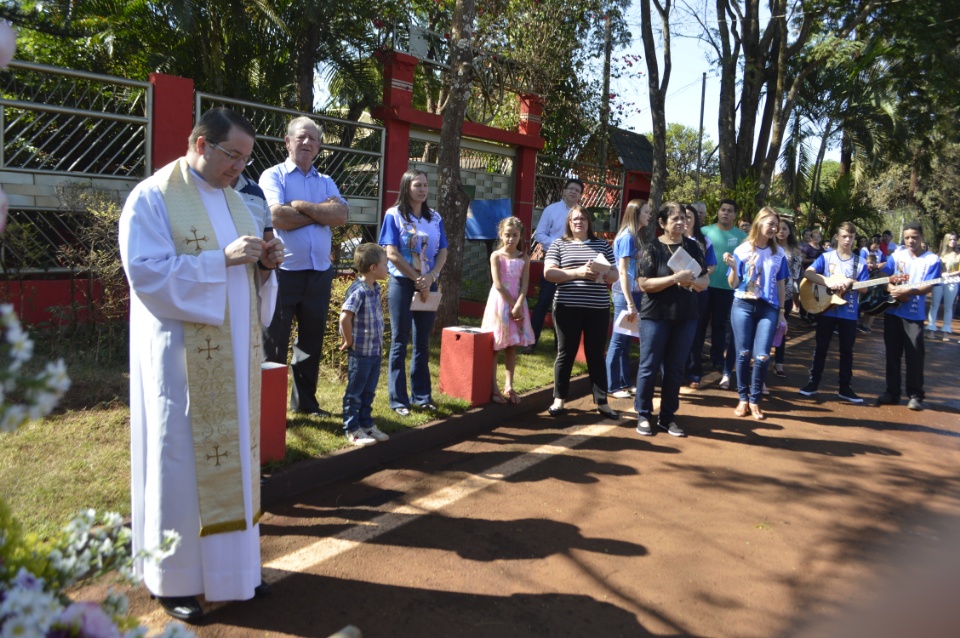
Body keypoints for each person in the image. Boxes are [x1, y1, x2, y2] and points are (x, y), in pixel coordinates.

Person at [119, 108, 285, 622]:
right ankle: (175, 580)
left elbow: (248, 280)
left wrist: (263, 266)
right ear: (199, 144)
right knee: (180, 462)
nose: (239, 168)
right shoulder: (152, 198)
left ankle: (236, 575)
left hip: (234, 359)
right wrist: (222, 260)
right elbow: (145, 275)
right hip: (181, 365)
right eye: (232, 156)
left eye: (245, 159)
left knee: (234, 459)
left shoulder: (238, 203)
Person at [260, 117, 349, 418]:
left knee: (310, 341)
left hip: (319, 274)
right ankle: (270, 411)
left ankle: (305, 404)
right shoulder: (274, 176)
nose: (307, 143)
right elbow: (277, 218)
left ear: (319, 147)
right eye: (301, 137)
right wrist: (321, 213)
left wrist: (300, 205)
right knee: (275, 343)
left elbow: (341, 215)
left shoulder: (326, 181)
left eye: (313, 139)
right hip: (283, 275)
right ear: (287, 142)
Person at [634, 202, 710, 437]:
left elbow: (704, 282)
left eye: (684, 218)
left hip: (686, 316)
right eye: (675, 218)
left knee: (676, 369)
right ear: (662, 223)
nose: (681, 222)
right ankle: (644, 414)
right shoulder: (652, 248)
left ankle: (667, 418)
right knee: (649, 366)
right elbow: (644, 284)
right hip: (655, 316)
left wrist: (692, 282)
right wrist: (674, 279)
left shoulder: (694, 247)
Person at [378, 169, 448, 416]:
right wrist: (415, 277)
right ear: (406, 187)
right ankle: (398, 400)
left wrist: (431, 277)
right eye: (417, 185)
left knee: (422, 342)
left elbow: (442, 251)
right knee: (399, 340)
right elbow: (391, 252)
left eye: (426, 185)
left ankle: (422, 396)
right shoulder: (393, 215)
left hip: (428, 283)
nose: (422, 189)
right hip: (402, 283)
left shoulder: (435, 218)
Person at [544, 206, 618, 418]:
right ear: (569, 222)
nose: (579, 222)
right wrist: (578, 272)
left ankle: (602, 402)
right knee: (565, 353)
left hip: (598, 308)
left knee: (596, 354)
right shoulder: (559, 244)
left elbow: (614, 275)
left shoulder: (602, 245)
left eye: (583, 219)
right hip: (567, 307)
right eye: (575, 219)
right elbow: (549, 273)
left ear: (589, 223)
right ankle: (559, 399)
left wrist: (605, 273)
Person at [726, 206, 790, 421]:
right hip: (743, 304)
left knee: (762, 356)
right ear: (759, 224)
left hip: (768, 308)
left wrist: (781, 313)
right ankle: (743, 398)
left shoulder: (778, 253)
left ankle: (755, 401)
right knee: (743, 353)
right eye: (770, 224)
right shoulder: (743, 250)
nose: (773, 228)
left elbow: (781, 284)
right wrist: (734, 268)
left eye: (776, 225)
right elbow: (733, 284)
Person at [797, 222, 870, 403]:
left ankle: (845, 388)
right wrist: (828, 282)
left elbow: (865, 289)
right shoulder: (826, 257)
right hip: (826, 309)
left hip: (849, 313)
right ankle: (813, 383)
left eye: (851, 237)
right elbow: (809, 274)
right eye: (844, 236)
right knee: (821, 348)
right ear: (837, 237)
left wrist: (852, 283)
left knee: (847, 351)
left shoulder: (859, 262)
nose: (847, 240)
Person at [876, 221, 940, 411]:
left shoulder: (932, 260)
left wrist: (908, 291)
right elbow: (882, 274)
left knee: (914, 355)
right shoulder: (897, 256)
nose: (910, 241)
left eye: (914, 237)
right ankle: (892, 392)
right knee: (892, 354)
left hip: (914, 315)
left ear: (922, 237)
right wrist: (891, 288)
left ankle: (915, 395)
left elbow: (928, 286)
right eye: (907, 237)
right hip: (892, 312)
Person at [338, 243, 390, 446]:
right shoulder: (359, 291)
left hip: (374, 351)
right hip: (360, 352)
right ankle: (352, 429)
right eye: (385, 264)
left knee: (369, 390)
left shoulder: (375, 289)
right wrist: (348, 340)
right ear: (373, 268)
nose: (388, 268)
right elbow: (345, 318)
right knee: (355, 393)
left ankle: (366, 424)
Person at [525, 178, 584, 354]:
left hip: (572, 264)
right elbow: (539, 234)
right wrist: (557, 244)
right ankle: (531, 342)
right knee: (543, 302)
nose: (573, 192)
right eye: (571, 189)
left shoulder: (581, 213)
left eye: (577, 190)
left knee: (566, 305)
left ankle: (561, 346)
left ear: (580, 195)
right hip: (553, 261)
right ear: (564, 191)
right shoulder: (552, 210)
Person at [481, 216, 535, 404]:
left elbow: (524, 285)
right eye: (507, 235)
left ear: (520, 236)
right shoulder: (496, 256)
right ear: (501, 235)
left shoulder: (524, 258)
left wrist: (520, 304)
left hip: (517, 304)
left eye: (515, 235)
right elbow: (497, 284)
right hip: (500, 303)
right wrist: (514, 305)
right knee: (496, 346)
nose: (511, 239)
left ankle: (509, 385)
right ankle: (493, 387)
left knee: (511, 346)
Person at [605, 199, 650, 399]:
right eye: (646, 212)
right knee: (618, 340)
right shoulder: (627, 238)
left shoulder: (634, 236)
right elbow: (623, 273)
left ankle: (624, 382)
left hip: (633, 293)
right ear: (636, 213)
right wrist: (630, 302)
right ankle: (612, 385)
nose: (649, 215)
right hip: (625, 295)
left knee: (625, 341)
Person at [701, 198, 747, 390]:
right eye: (723, 210)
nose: (725, 213)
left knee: (720, 325)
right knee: (699, 323)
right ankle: (694, 358)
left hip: (728, 288)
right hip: (704, 285)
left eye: (730, 210)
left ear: (735, 215)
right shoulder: (705, 231)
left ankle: (717, 359)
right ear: (718, 212)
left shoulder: (742, 236)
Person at [682, 204, 716, 389]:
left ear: (696, 218)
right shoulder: (674, 239)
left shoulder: (705, 241)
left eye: (688, 216)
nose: (685, 220)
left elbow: (712, 265)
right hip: (676, 291)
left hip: (699, 291)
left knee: (696, 332)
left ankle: (693, 373)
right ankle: (675, 371)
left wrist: (698, 275)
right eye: (681, 216)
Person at [773, 219, 802, 378]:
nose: (781, 231)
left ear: (790, 232)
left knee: (781, 329)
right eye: (778, 228)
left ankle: (779, 363)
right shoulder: (769, 247)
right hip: (768, 294)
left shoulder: (795, 251)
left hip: (787, 294)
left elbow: (796, 275)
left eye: (785, 229)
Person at [925, 232, 959, 340]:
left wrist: (949, 274)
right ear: (946, 241)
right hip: (939, 281)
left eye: (954, 239)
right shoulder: (939, 255)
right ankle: (931, 329)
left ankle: (946, 331)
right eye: (950, 239)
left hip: (952, 282)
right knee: (934, 305)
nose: (952, 241)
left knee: (948, 307)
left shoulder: (958, 255)